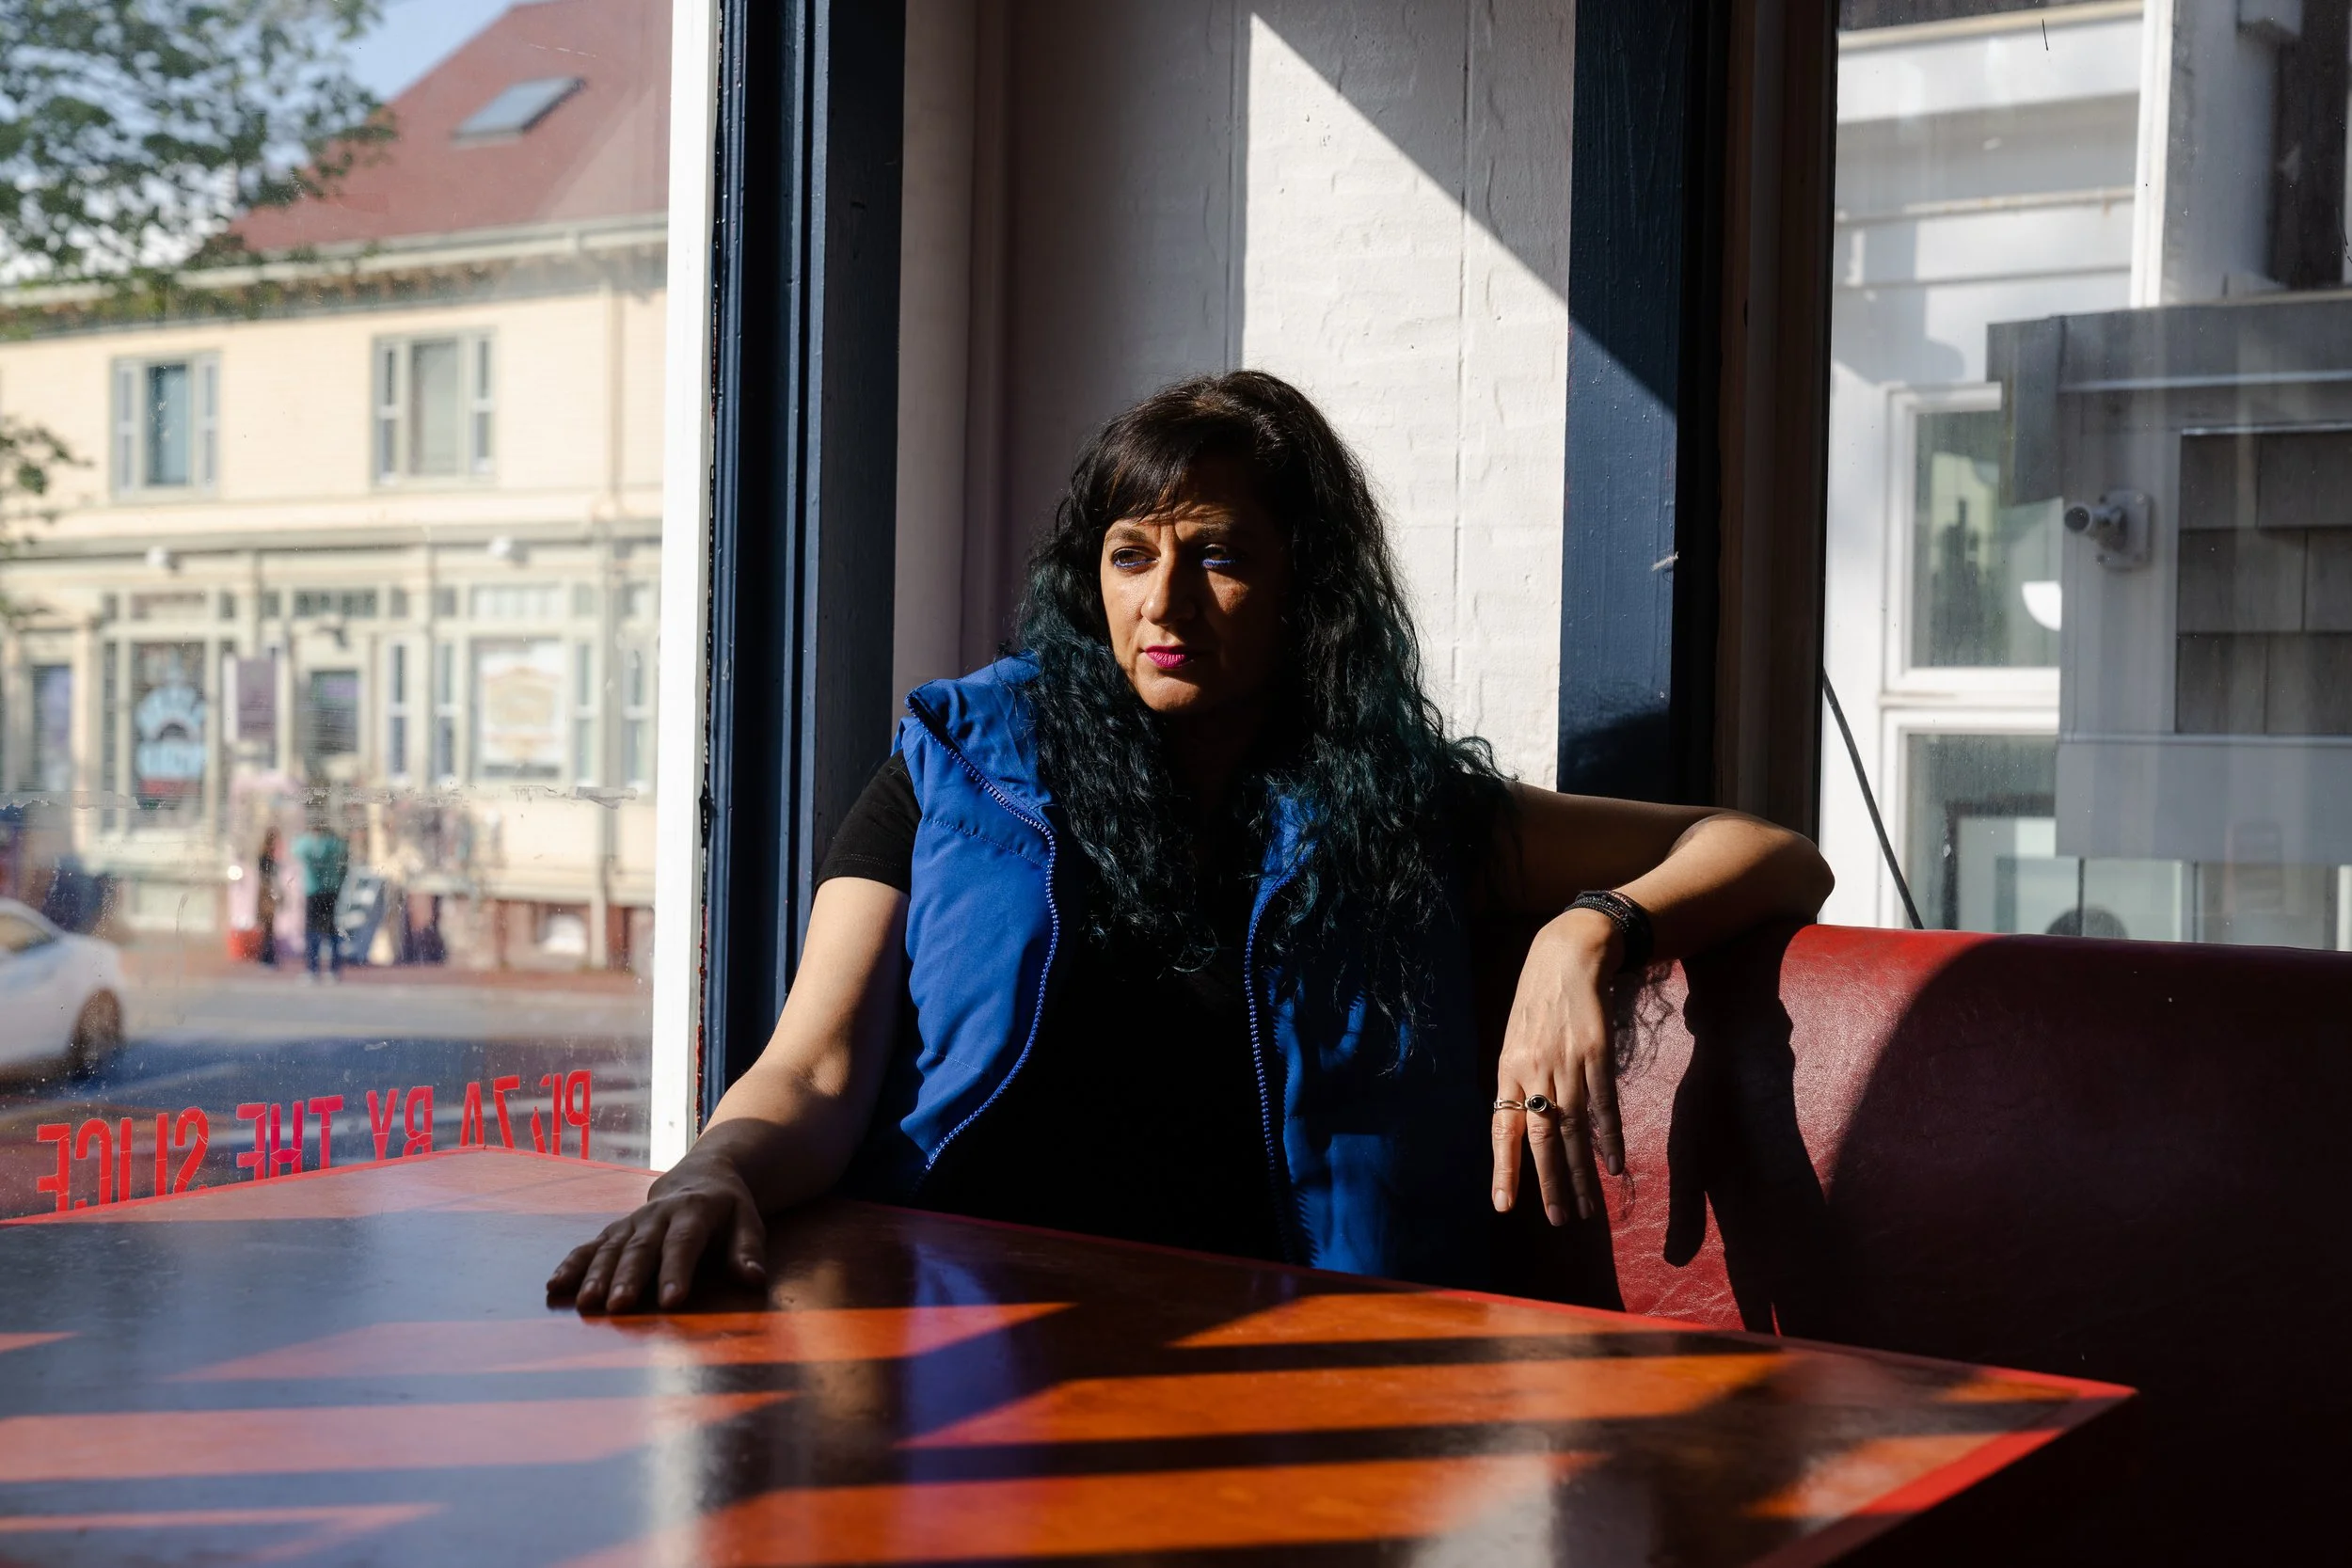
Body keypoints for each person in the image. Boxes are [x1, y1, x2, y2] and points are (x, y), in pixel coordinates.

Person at [549, 371, 1833, 1314]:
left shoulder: (1401, 812)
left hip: (1305, 1358)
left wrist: (1588, 928)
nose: (1162, 604)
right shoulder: (957, 769)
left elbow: (1771, 850)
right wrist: (709, 1171)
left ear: (1305, 588)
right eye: (1129, 556)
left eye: (1218, 557)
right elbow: (815, 1069)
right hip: (956, 1325)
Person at [291, 816, 348, 983]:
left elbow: (296, 850)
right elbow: (343, 854)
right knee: (331, 931)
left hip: (314, 891)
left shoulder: (308, 843)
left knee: (312, 931)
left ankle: (312, 969)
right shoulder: (334, 843)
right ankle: (333, 969)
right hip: (331, 890)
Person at [255, 828, 281, 967]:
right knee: (268, 927)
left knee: (269, 927)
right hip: (266, 894)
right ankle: (266, 957)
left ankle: (268, 957)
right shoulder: (265, 857)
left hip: (267, 893)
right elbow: (265, 878)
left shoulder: (268, 856)